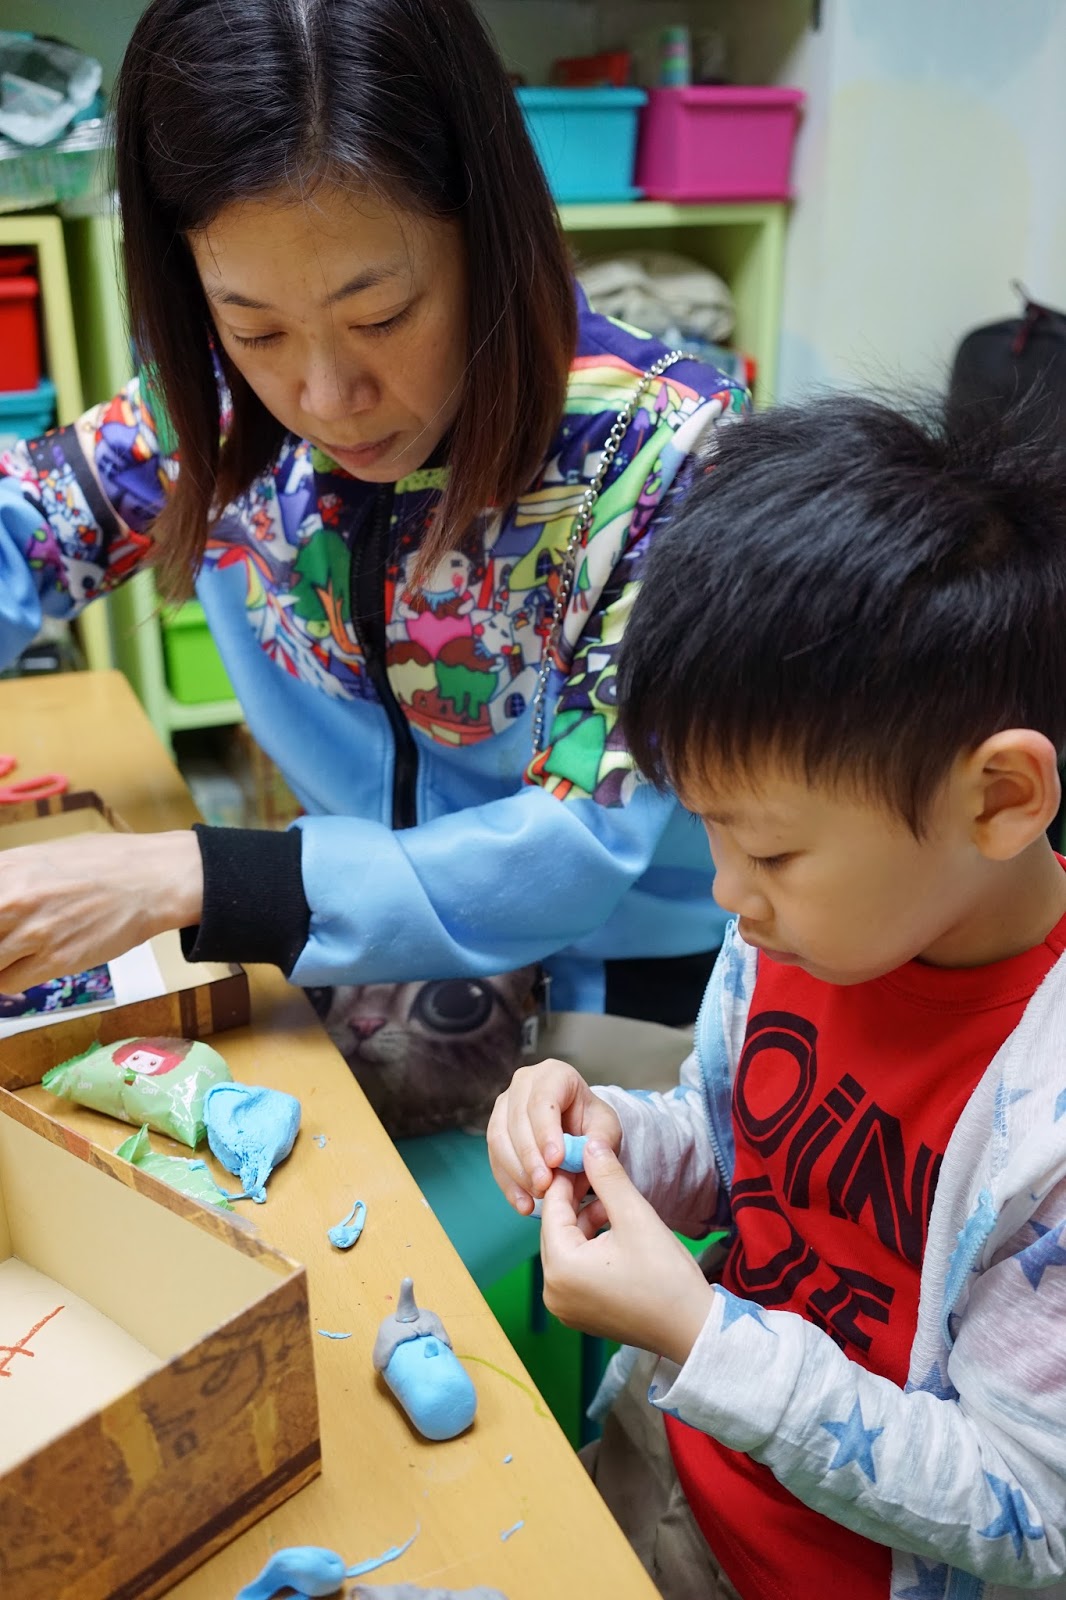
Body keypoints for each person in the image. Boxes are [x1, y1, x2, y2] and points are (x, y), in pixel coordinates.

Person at [0, 0, 748, 1129]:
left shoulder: (661, 455)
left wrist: (193, 875)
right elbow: (30, 525)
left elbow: (572, 844)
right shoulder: (214, 407)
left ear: (487, 233)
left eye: (383, 315)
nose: (325, 398)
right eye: (255, 327)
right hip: (351, 925)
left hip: (615, 979)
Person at [488, 395, 1066, 1600]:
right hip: (675, 1461)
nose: (724, 891)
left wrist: (701, 1335)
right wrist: (613, 1136)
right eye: (710, 830)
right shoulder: (806, 932)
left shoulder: (1045, 1123)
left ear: (999, 798)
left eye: (770, 850)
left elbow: (1030, 1510)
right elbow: (737, 1144)